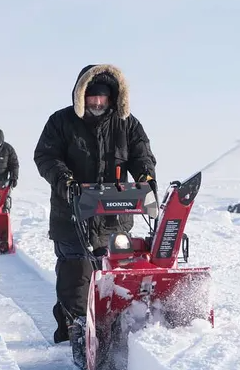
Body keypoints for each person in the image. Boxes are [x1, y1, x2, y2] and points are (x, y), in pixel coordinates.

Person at [33, 64, 157, 346]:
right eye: (92, 97)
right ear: (81, 96)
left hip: (115, 217)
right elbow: (45, 156)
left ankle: (121, 327)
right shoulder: (61, 122)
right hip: (72, 215)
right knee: (77, 274)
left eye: (103, 97)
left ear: (114, 98)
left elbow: (142, 156)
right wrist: (63, 179)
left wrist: (145, 176)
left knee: (117, 274)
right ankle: (76, 329)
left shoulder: (128, 124)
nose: (98, 102)